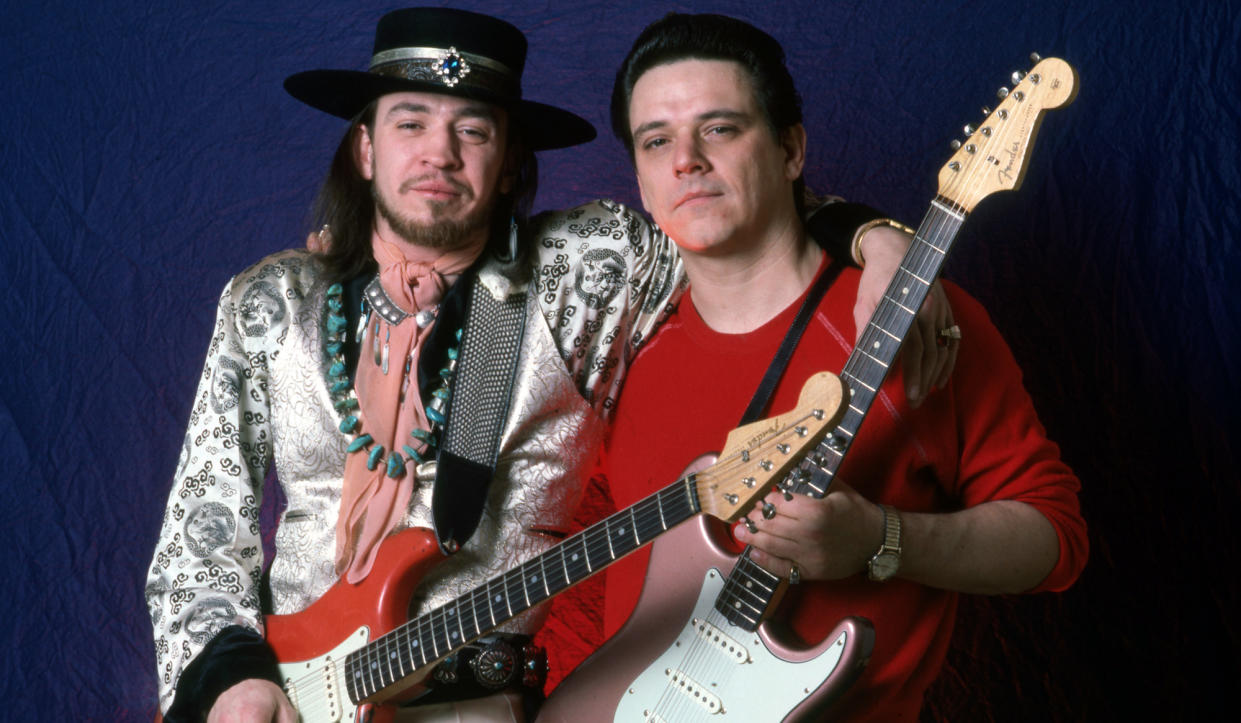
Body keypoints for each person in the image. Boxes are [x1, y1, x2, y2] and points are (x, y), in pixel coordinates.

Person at [144, 8, 949, 722]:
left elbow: (727, 206)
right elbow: (198, 534)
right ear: (363, 147)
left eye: (473, 129)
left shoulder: (586, 269)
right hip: (279, 697)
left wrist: (873, 236)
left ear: (508, 159)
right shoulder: (273, 301)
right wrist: (231, 685)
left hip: (475, 703)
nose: (440, 153)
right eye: (410, 122)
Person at [562, 13, 1088, 721]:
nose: (685, 159)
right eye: (656, 141)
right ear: (642, 178)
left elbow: (1053, 539)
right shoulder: (617, 354)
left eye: (719, 128)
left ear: (789, 150)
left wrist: (880, 537)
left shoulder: (915, 321)